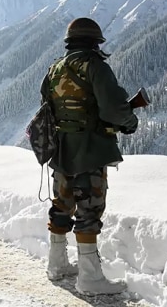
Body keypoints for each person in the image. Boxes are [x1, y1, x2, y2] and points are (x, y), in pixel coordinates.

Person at [41, 17, 138, 296]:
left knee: (61, 205)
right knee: (89, 209)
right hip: (90, 150)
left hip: (60, 149)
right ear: (96, 42)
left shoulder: (54, 69)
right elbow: (113, 109)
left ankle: (56, 265)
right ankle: (90, 279)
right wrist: (129, 121)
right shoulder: (96, 67)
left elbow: (47, 107)